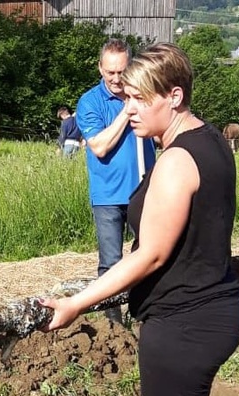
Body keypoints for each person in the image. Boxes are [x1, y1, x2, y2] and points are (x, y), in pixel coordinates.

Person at [41, 42, 239, 396]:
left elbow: (149, 254)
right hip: (215, 310)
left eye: (138, 99)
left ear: (174, 96)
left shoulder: (178, 159)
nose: (127, 108)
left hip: (184, 322)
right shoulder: (207, 142)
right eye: (125, 97)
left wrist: (77, 302)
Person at [76, 38, 157, 323]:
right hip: (108, 196)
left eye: (121, 71)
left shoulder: (145, 95)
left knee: (148, 258)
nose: (116, 78)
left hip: (144, 191)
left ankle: (146, 316)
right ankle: (114, 326)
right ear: (100, 68)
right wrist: (127, 110)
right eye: (110, 72)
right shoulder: (90, 102)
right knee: (111, 263)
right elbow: (99, 146)